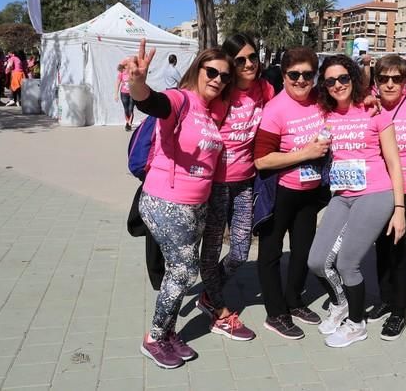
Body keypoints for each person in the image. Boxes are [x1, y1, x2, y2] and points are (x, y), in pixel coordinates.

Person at [125, 39, 233, 369]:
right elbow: (153, 103)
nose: (217, 78)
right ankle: (155, 337)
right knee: (184, 271)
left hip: (195, 206)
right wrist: (138, 83)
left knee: (178, 271)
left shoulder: (210, 113)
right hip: (164, 201)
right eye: (211, 71)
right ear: (197, 70)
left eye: (224, 76)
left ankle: (170, 332)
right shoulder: (181, 100)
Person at [307, 54, 405, 348]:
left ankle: (357, 324)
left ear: (353, 77)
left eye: (343, 78)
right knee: (316, 261)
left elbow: (394, 162)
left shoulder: (374, 112)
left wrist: (399, 209)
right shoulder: (325, 115)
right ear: (324, 86)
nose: (338, 85)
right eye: (330, 81)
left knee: (348, 263)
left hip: (375, 194)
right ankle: (341, 303)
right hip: (342, 195)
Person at [196, 33, 274, 341]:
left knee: (240, 251)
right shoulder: (220, 95)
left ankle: (208, 294)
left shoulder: (264, 88)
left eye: (252, 57)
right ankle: (218, 308)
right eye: (240, 59)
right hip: (215, 184)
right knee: (212, 247)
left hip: (245, 182)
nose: (248, 64)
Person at [254, 47, 331, 339]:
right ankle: (275, 313)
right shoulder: (275, 109)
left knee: (302, 251)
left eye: (307, 75)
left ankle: (294, 300)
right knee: (271, 253)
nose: (300, 80)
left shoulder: (320, 100)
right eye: (294, 75)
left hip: (310, 192)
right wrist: (305, 153)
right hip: (281, 192)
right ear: (284, 75)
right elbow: (262, 159)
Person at [367, 54, 406, 341]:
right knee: (381, 247)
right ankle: (384, 298)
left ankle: (398, 310)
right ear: (376, 81)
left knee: (399, 249)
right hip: (378, 189)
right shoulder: (369, 106)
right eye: (384, 79)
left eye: (397, 79)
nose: (390, 84)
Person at [114, 64, 135, 131]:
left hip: (133, 93)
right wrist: (116, 94)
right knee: (126, 109)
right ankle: (127, 121)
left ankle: (129, 124)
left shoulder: (133, 72)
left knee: (130, 108)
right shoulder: (121, 73)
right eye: (126, 65)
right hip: (124, 93)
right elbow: (117, 83)